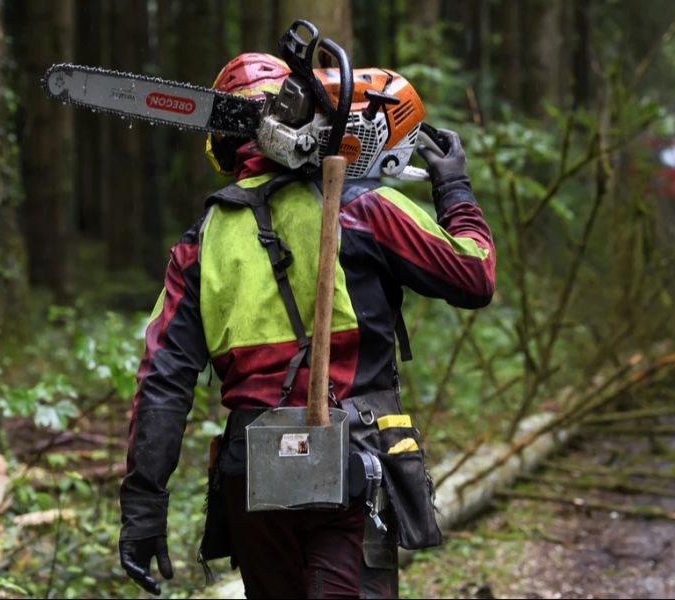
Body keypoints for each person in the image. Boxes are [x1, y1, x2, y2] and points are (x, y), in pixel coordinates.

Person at [118, 52, 496, 598]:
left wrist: (143, 509)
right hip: (353, 457)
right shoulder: (366, 207)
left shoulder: (202, 241)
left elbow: (163, 382)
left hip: (253, 470)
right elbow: (474, 275)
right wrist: (455, 188)